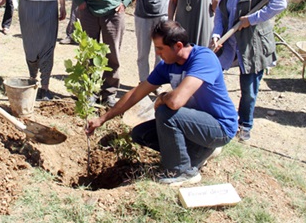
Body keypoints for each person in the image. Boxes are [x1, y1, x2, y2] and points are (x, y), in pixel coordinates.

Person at [86, 20, 237, 186]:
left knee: (166, 112)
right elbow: (136, 93)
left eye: (160, 48)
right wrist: (103, 119)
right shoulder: (168, 65)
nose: (157, 54)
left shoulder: (203, 59)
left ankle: (181, 171)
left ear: (178, 46)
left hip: (220, 126)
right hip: (195, 124)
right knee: (141, 134)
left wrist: (162, 98)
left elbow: (175, 102)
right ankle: (199, 150)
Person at [211, 0, 288, 142]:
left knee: (249, 89)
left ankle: (244, 126)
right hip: (230, 41)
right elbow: (220, 11)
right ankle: (219, 117)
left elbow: (280, 2)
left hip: (253, 44)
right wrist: (216, 34)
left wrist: (252, 19)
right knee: (212, 74)